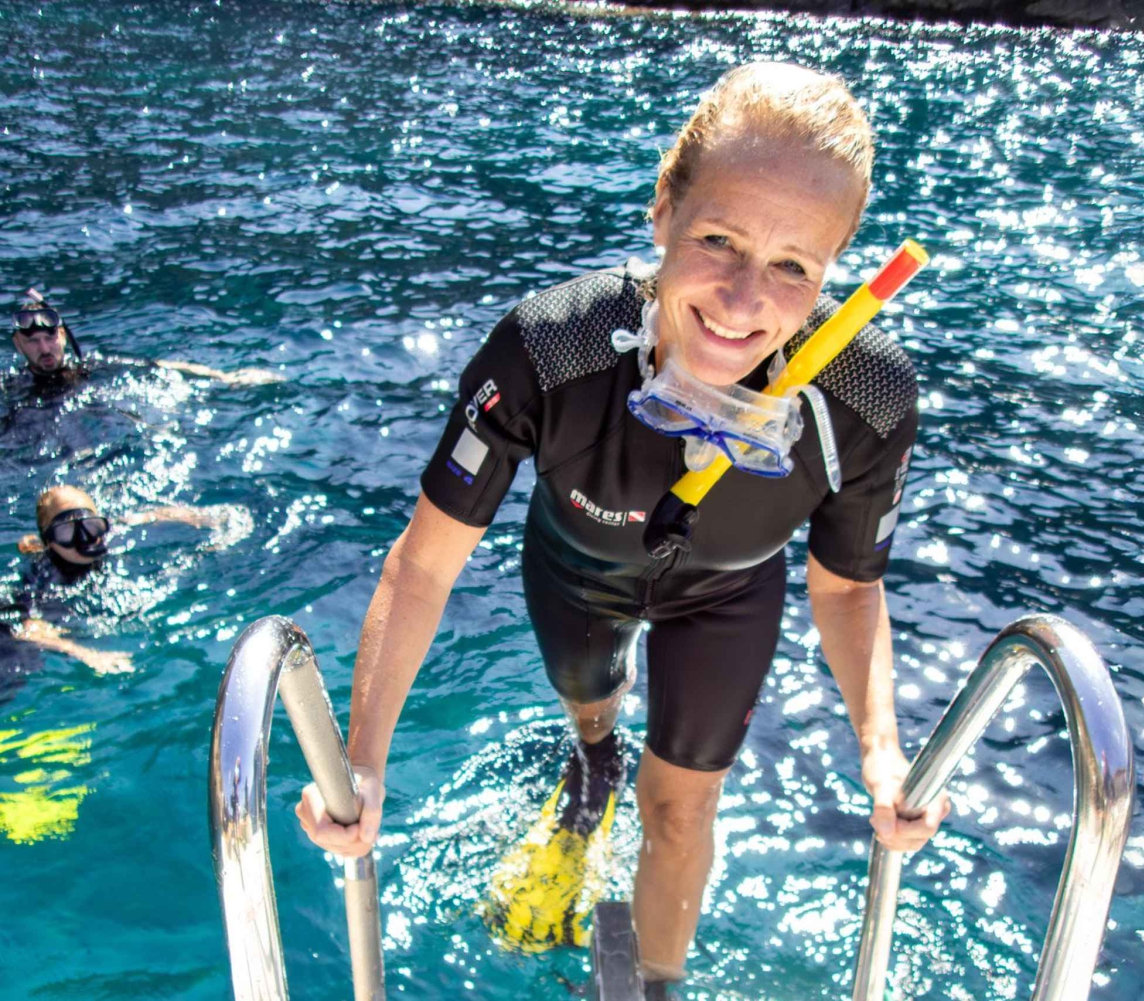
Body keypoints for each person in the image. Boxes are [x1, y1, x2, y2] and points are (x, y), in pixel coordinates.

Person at [296, 62, 948, 989]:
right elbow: (423, 569)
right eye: (719, 239)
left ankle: (652, 985)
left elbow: (846, 587)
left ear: (834, 269)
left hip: (729, 592)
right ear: (662, 213)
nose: (742, 297)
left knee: (681, 809)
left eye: (794, 265)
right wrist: (363, 761)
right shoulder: (551, 348)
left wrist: (882, 751)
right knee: (594, 713)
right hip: (578, 573)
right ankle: (591, 762)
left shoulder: (865, 396)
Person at [4, 484, 251, 675]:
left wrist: (213, 520)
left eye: (90, 526)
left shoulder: (116, 536)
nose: (84, 539)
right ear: (48, 541)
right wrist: (86, 654)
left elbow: (154, 515)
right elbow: (27, 629)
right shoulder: (41, 576)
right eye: (67, 532)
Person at [10, 289, 278, 392]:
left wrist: (223, 376)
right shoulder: (10, 388)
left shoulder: (92, 368)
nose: (44, 348)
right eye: (33, 342)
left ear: (63, 336)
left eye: (49, 338)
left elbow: (158, 365)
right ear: (18, 345)